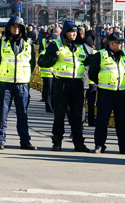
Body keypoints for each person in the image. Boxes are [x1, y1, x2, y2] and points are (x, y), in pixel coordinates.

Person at [38, 20, 92, 152]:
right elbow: (43, 62)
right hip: (61, 83)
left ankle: (78, 143)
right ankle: (57, 142)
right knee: (59, 115)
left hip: (77, 83)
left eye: (75, 32)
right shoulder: (56, 44)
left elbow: (88, 61)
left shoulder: (81, 46)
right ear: (65, 33)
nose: (73, 35)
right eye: (71, 32)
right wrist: (53, 57)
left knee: (77, 116)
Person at [0, 16, 36, 150]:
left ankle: (25, 141)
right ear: (9, 28)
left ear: (22, 29)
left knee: (23, 114)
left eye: (18, 27)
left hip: (22, 84)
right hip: (5, 84)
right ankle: (0, 139)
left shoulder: (28, 44)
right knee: (2, 114)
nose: (16, 29)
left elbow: (32, 63)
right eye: (13, 26)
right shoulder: (1, 44)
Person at [87, 32, 125, 154]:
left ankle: (124, 147)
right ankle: (99, 145)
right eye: (120, 43)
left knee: (122, 122)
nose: (122, 45)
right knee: (102, 121)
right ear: (112, 43)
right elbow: (92, 73)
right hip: (105, 92)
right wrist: (102, 82)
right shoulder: (101, 55)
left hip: (121, 93)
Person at [37, 28, 58, 113]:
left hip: (52, 74)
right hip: (48, 74)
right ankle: (49, 107)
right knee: (49, 91)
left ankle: (51, 106)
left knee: (51, 91)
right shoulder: (45, 52)